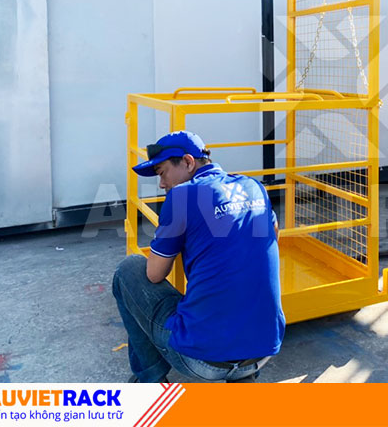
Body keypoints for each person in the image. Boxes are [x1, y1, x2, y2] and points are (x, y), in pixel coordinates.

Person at [112, 130, 285, 382]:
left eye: (162, 173)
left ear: (188, 162)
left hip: (203, 362)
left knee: (130, 269)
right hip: (265, 350)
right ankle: (243, 377)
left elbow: (154, 273)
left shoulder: (181, 196)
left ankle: (149, 381)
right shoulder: (254, 186)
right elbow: (273, 239)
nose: (162, 184)